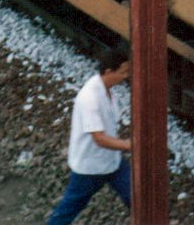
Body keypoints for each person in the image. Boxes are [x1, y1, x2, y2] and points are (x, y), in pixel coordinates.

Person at [46, 47, 132, 225]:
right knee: (70, 208)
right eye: (123, 72)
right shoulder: (89, 97)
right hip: (90, 166)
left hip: (111, 160)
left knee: (135, 196)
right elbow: (98, 138)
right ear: (109, 71)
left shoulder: (106, 89)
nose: (127, 76)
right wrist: (129, 145)